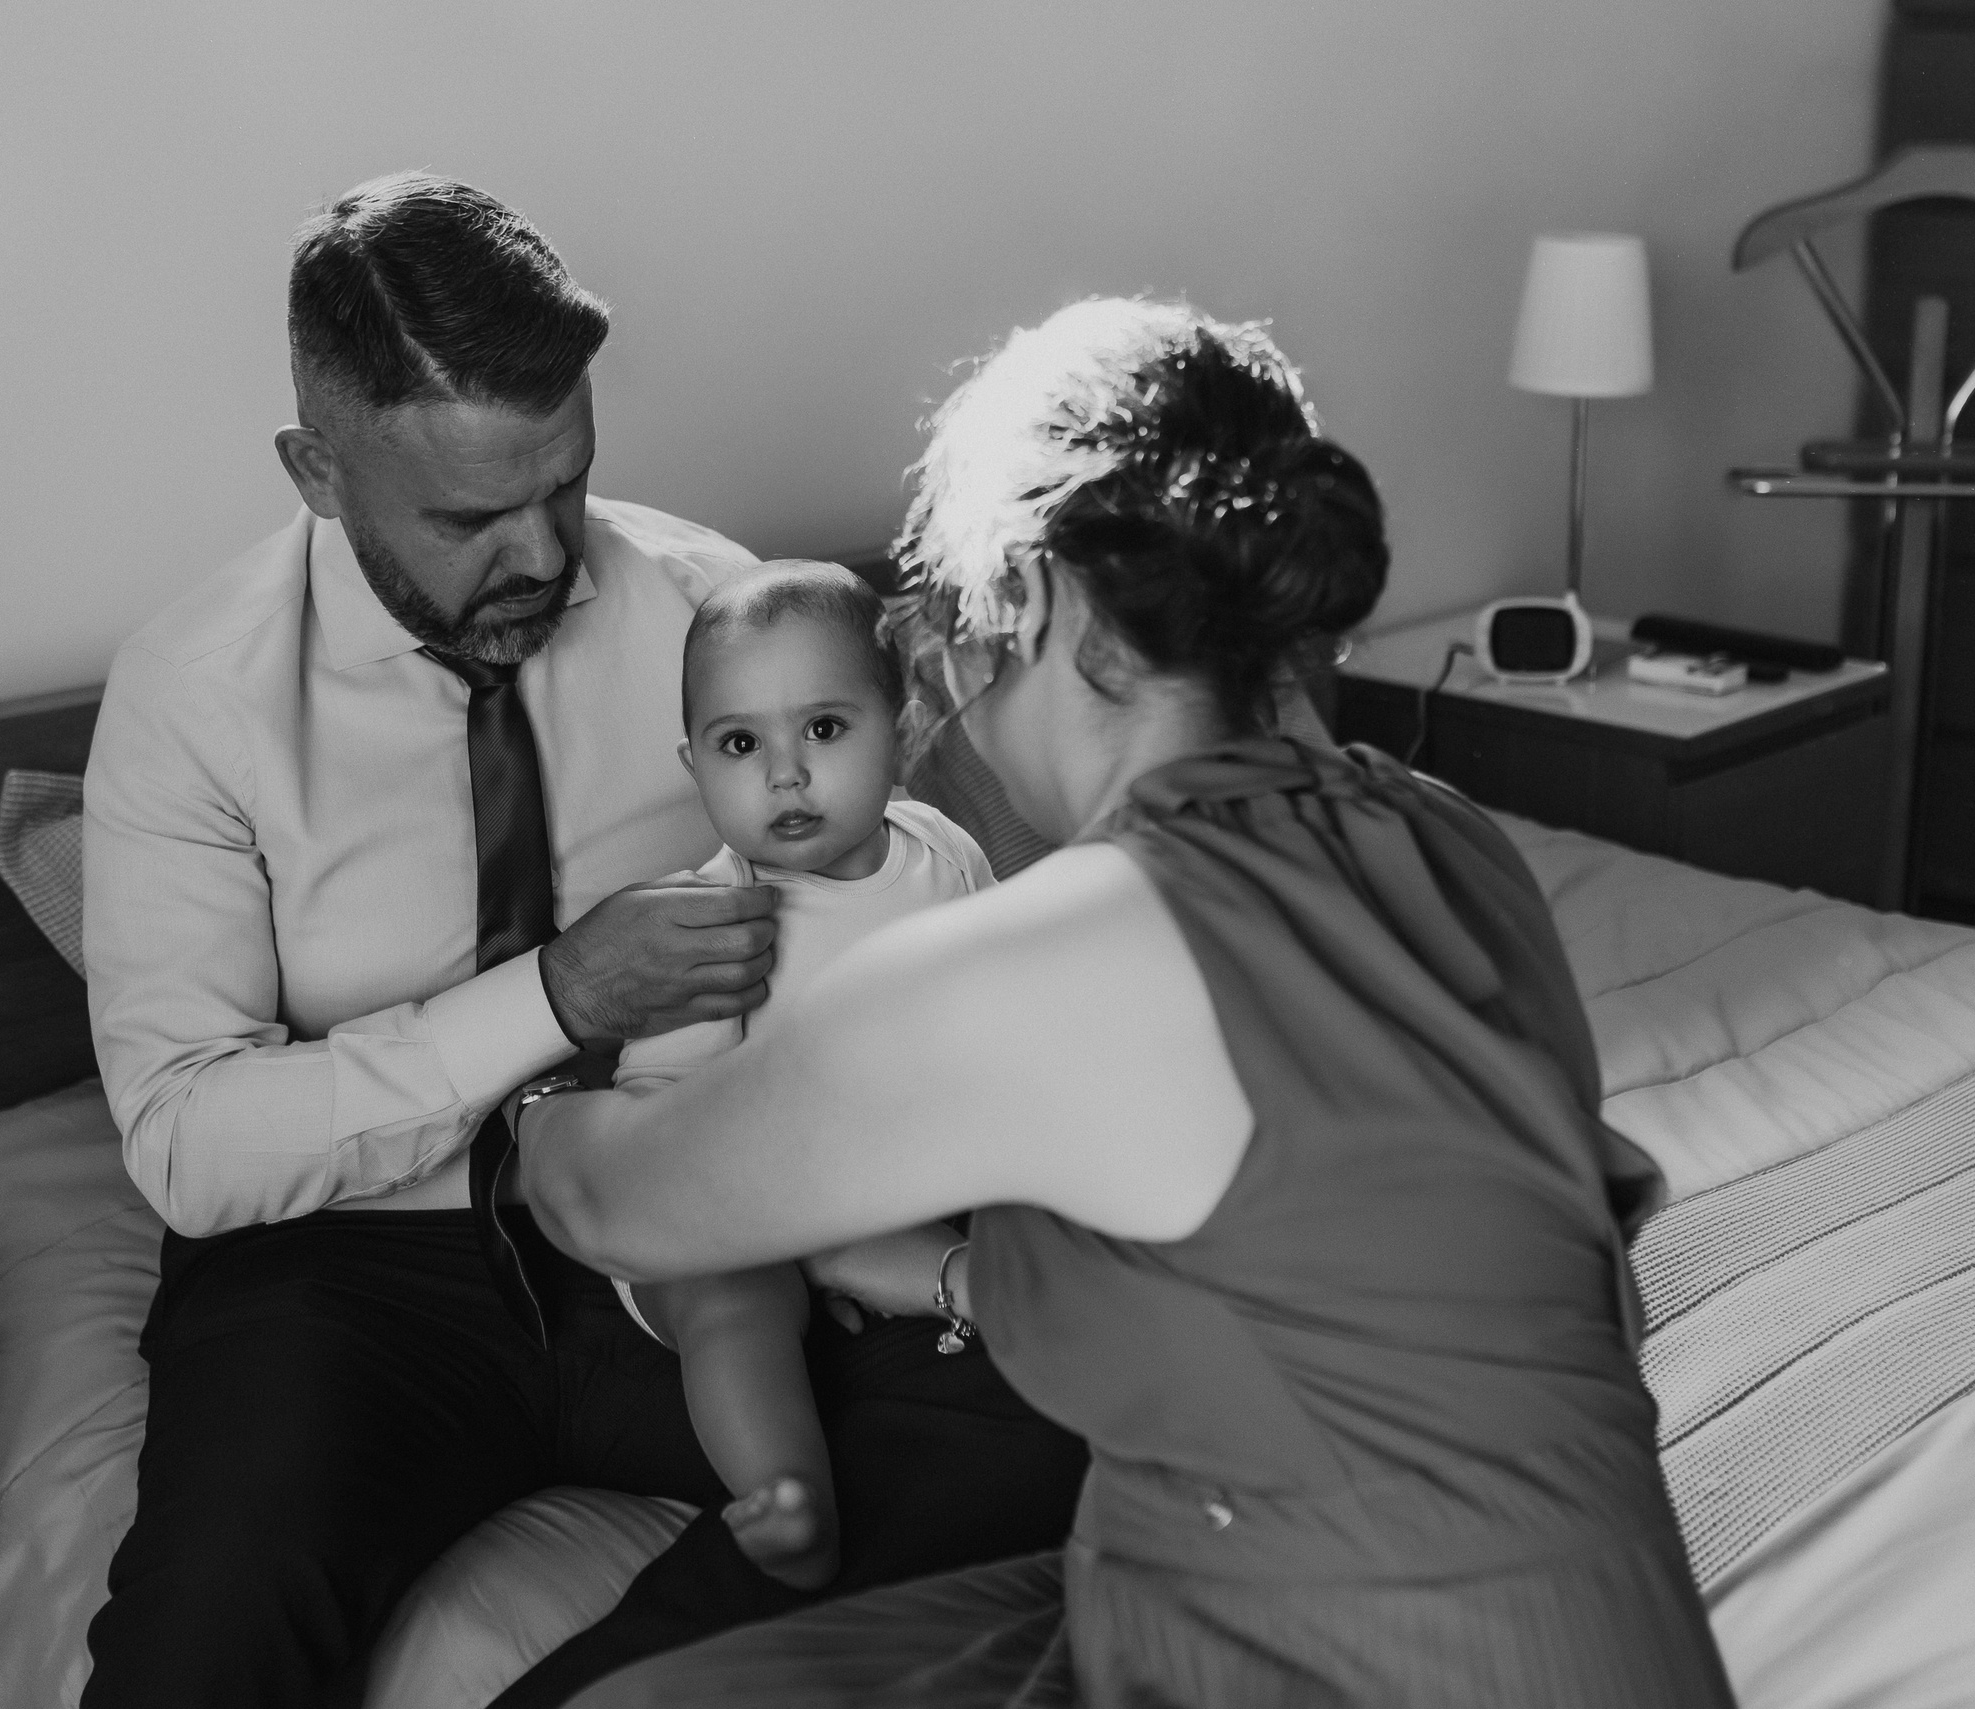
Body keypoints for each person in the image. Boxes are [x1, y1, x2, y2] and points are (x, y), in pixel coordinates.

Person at [517, 297, 1740, 1707]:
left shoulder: (1063, 945)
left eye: (960, 639)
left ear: (1035, 601)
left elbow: (621, 1206)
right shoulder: (1454, 839)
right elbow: (1331, 1266)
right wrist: (909, 1268)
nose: (954, 700)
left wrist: (544, 1100)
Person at [78, 172, 1086, 1709]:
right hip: (358, 1269)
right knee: (203, 1642)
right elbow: (188, 1141)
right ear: (316, 470)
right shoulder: (193, 700)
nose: (545, 555)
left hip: (707, 1211)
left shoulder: (708, 616)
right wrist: (556, 995)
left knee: (1055, 1411)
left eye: (567, 485)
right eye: (476, 517)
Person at [612, 560, 998, 1593]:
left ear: (904, 730)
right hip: (730, 1206)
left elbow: (995, 1003)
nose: (784, 775)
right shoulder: (709, 922)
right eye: (741, 744)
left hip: (892, 1178)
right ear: (692, 762)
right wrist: (773, 1226)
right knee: (735, 1304)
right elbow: (657, 1128)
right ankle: (788, 1496)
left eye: (823, 730)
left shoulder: (944, 854)